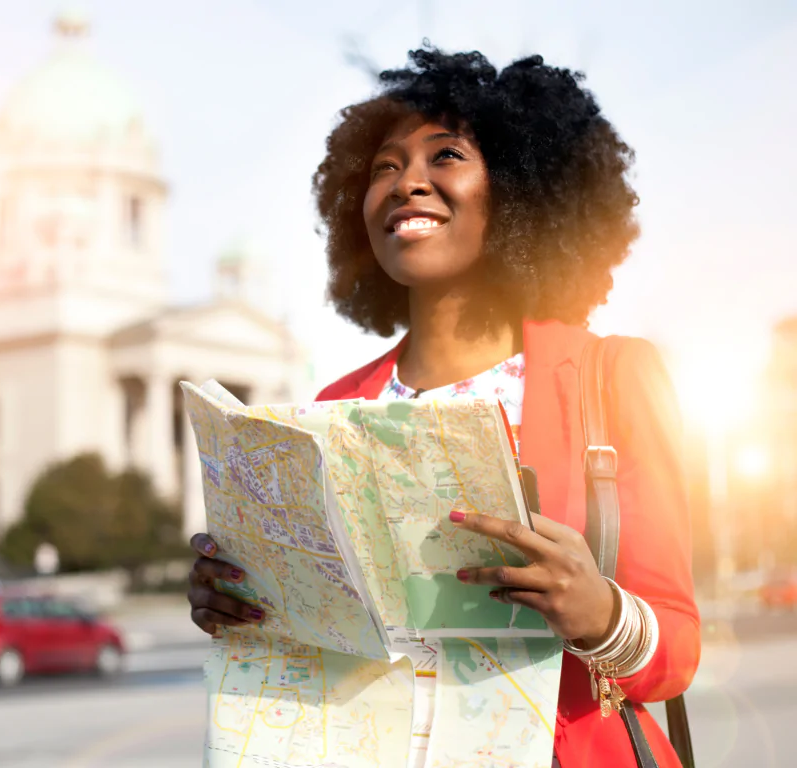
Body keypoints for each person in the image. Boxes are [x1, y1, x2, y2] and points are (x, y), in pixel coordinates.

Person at [187, 48, 699, 768]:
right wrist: (241, 603)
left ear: (524, 189)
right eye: (384, 167)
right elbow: (326, 647)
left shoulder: (610, 376)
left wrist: (601, 613)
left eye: (446, 155)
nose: (407, 183)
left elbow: (676, 650)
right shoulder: (334, 408)